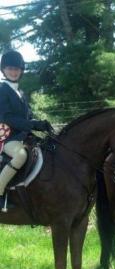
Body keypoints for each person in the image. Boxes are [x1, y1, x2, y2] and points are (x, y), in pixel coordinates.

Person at [0, 50, 52, 209]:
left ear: (21, 71)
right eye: (10, 69)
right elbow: (8, 117)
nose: (13, 72)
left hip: (23, 136)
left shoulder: (20, 93)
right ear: (3, 70)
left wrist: (41, 123)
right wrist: (33, 125)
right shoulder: (2, 90)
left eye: (16, 69)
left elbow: (27, 117)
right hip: (7, 137)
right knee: (21, 155)